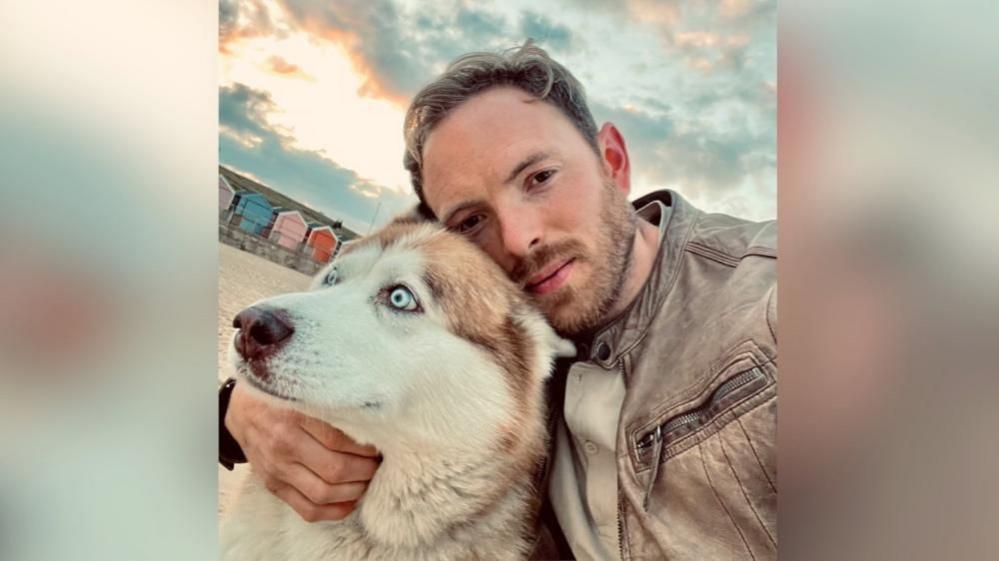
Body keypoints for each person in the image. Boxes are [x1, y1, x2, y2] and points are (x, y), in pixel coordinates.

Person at [220, 42, 777, 561]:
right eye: (471, 220)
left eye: (539, 177)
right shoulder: (503, 333)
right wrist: (241, 411)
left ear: (611, 160)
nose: (517, 237)